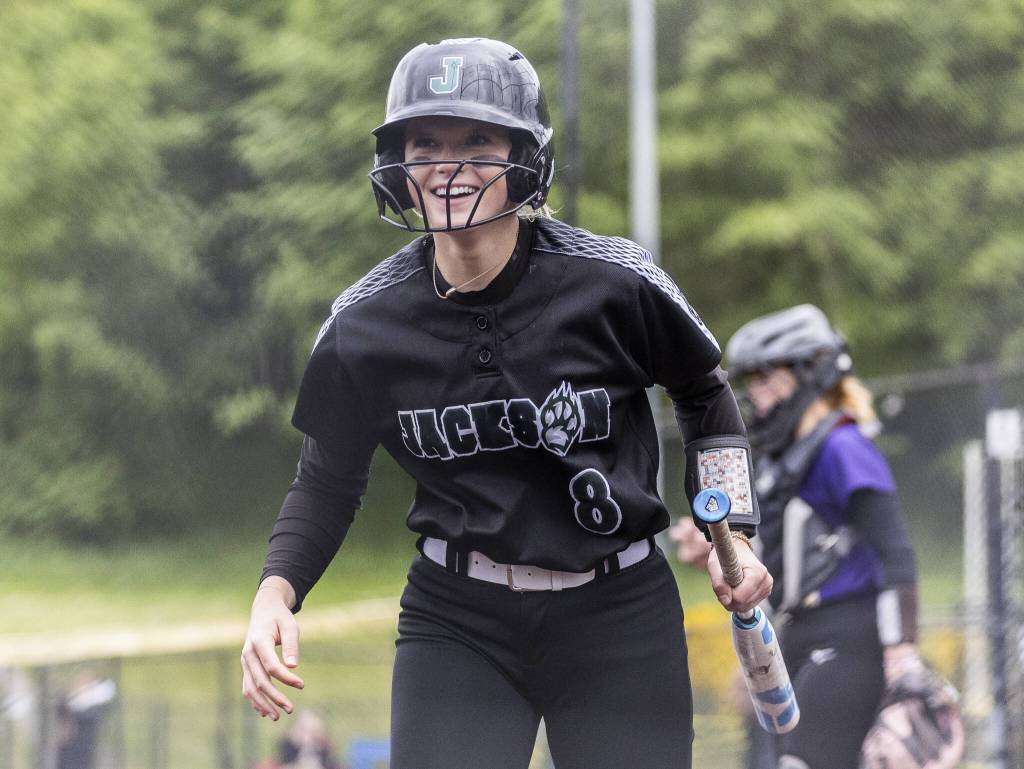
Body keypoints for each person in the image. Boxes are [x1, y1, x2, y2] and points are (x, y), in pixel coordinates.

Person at [240, 37, 772, 769]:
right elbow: (326, 480)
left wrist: (734, 527)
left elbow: (704, 395)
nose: (450, 165)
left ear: (525, 158)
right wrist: (276, 594)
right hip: (458, 615)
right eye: (426, 142)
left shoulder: (613, 283)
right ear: (399, 166)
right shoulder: (363, 324)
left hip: (617, 610)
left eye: (478, 141)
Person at [707, 304, 942, 769]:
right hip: (797, 638)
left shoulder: (843, 446)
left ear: (811, 370)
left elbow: (894, 551)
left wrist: (902, 656)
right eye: (751, 381)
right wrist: (755, 658)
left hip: (848, 643)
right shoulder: (784, 459)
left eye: (766, 377)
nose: (756, 393)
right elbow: (783, 564)